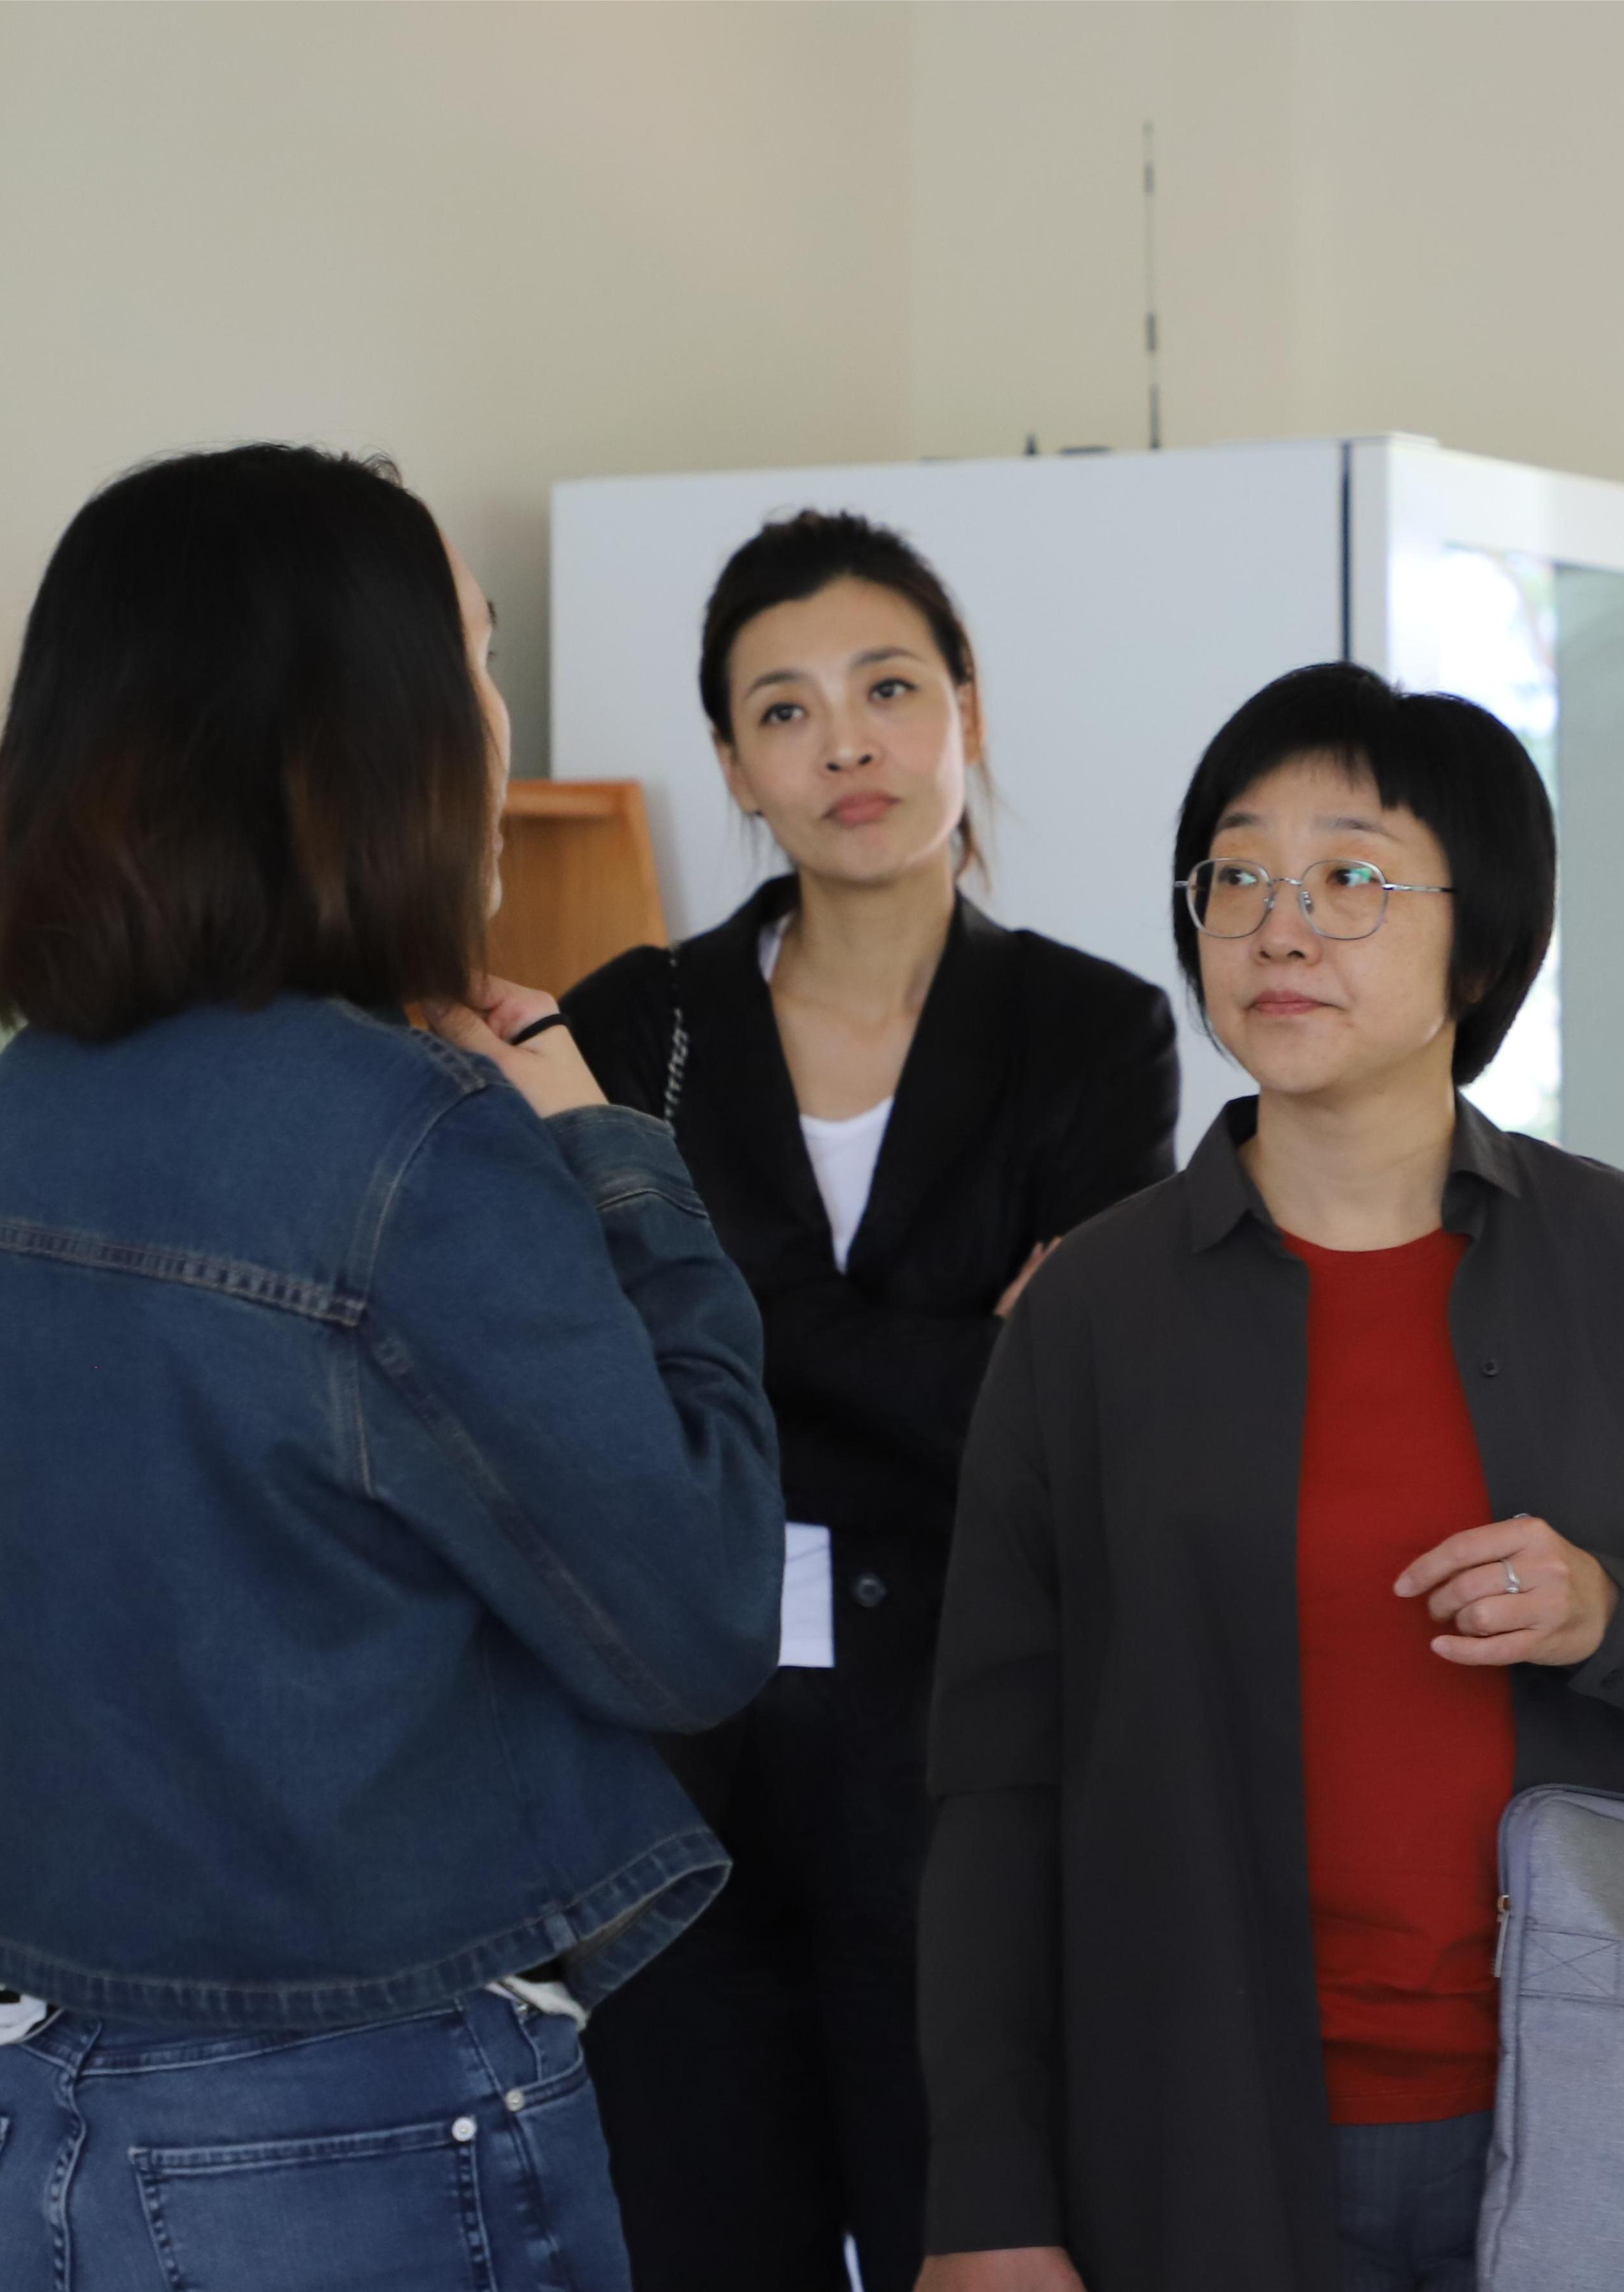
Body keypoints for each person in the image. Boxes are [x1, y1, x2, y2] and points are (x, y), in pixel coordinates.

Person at [0, 443, 783, 2291]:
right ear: (358, 729)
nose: (496, 715)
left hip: (47, 2122)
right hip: (359, 2135)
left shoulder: (24, 1110)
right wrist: (609, 1157)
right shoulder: (420, 1144)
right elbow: (695, 1606)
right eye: (471, 657)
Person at [914, 663, 1624, 2292]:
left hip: (1591, 2121)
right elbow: (994, 1784)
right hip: (1195, 2130)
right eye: (1237, 876)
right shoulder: (1094, 1310)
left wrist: (1609, 1615)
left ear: (1478, 948)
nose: (1280, 929)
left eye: (1350, 877)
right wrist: (989, 2204)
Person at [561, 511, 1180, 2291]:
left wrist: (720, 1307)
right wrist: (946, 1355)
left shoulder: (1092, 1031)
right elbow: (584, 1394)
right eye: (785, 708)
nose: (846, 743)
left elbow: (1059, 1422)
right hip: (673, 1790)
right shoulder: (636, 1022)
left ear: (966, 710)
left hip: (965, 1769)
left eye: (889, 688)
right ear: (732, 765)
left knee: (967, 2244)